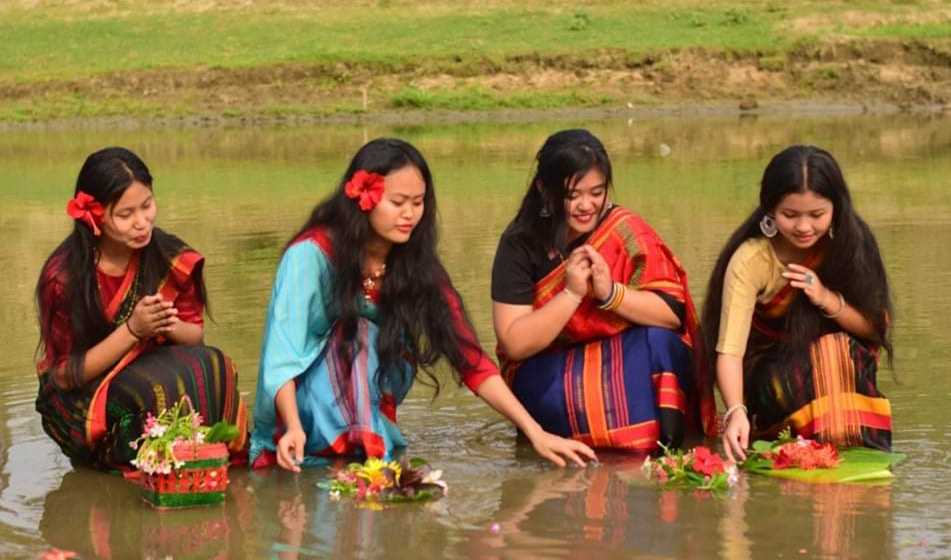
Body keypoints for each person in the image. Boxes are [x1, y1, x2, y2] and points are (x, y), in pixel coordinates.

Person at [250, 138, 595, 471]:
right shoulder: (310, 255)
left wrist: (536, 432)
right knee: (357, 335)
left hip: (366, 391)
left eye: (418, 203)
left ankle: (361, 441)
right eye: (398, 202)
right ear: (363, 199)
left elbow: (471, 360)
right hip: (300, 401)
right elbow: (284, 353)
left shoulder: (416, 263)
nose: (410, 215)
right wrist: (293, 427)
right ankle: (338, 441)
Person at [491, 129, 716, 454]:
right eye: (572, 195)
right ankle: (621, 448)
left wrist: (610, 294)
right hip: (551, 371)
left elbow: (672, 315)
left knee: (663, 346)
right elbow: (514, 344)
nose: (586, 206)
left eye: (596, 192)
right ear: (544, 190)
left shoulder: (623, 229)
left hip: (626, 361)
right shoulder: (519, 244)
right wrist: (570, 295)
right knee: (583, 392)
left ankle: (666, 457)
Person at [34, 147, 247, 470]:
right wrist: (133, 330)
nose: (142, 223)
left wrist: (163, 324)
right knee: (145, 392)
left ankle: (209, 462)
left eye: (147, 206)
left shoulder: (168, 255)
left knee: (216, 365)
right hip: (88, 395)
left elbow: (195, 337)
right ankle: (140, 470)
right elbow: (64, 377)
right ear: (94, 217)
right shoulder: (63, 278)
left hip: (152, 366)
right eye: (125, 214)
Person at [702, 145, 893, 462]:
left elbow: (875, 329)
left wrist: (826, 299)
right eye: (790, 215)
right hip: (773, 379)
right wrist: (735, 410)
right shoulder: (751, 259)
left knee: (836, 351)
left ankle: (847, 451)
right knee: (828, 357)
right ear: (770, 211)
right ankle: (810, 448)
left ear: (836, 208)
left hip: (840, 369)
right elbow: (730, 352)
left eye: (817, 215)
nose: (804, 228)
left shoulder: (851, 244)